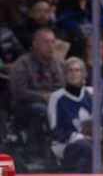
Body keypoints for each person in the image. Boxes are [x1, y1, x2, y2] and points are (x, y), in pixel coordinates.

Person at [9, 27, 64, 164]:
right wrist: (43, 97)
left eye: (53, 42)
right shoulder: (22, 64)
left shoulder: (60, 64)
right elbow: (19, 92)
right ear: (35, 44)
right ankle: (32, 153)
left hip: (56, 104)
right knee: (40, 110)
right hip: (26, 108)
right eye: (46, 42)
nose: (50, 46)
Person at [47, 56, 93, 172]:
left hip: (92, 141)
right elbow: (55, 128)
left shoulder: (91, 94)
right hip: (65, 144)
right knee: (83, 148)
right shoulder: (57, 97)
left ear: (83, 74)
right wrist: (81, 137)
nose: (73, 74)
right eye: (70, 70)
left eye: (77, 70)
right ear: (65, 74)